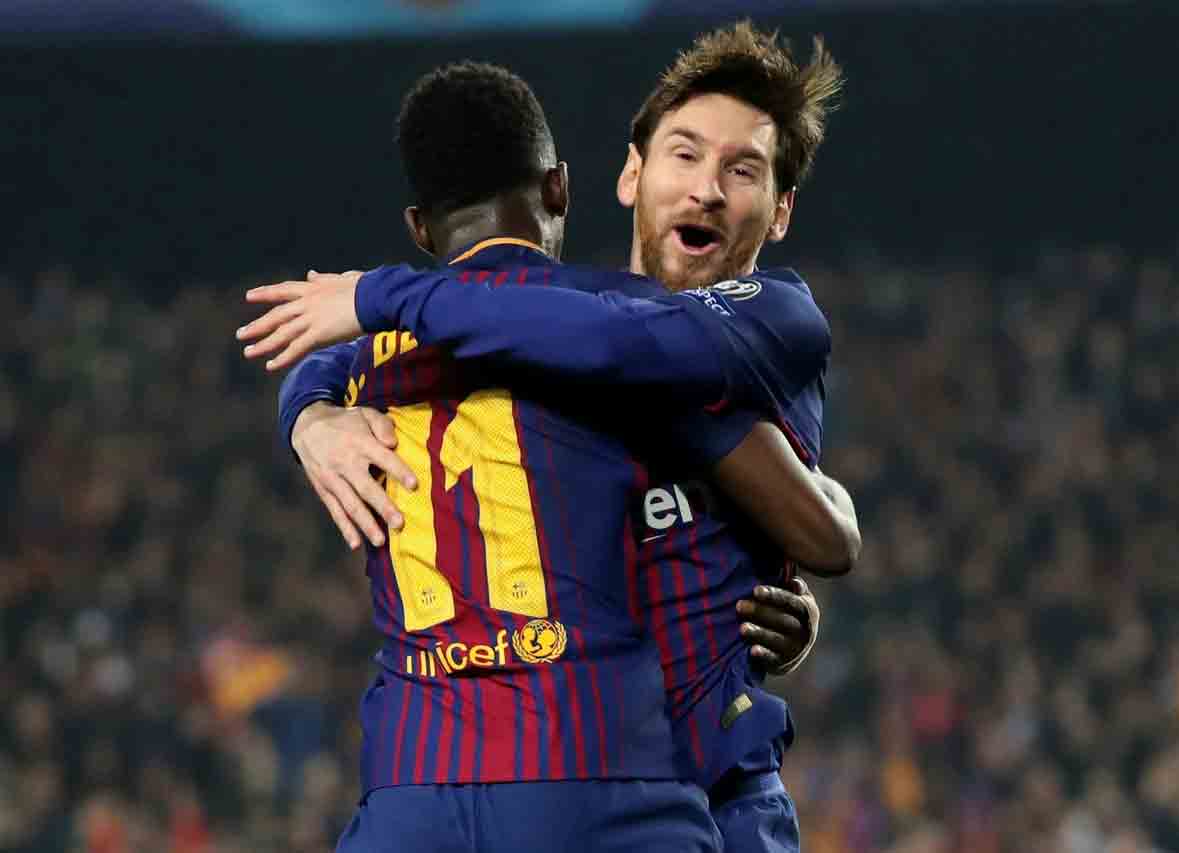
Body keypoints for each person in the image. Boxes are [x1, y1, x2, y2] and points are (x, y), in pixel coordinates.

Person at [240, 23, 856, 853]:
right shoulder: (550, 321)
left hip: (710, 796)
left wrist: (379, 295)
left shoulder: (769, 318)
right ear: (628, 175)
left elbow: (629, 350)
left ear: (779, 210)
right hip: (589, 776)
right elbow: (356, 355)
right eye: (684, 155)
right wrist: (310, 416)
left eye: (742, 170)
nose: (707, 190)